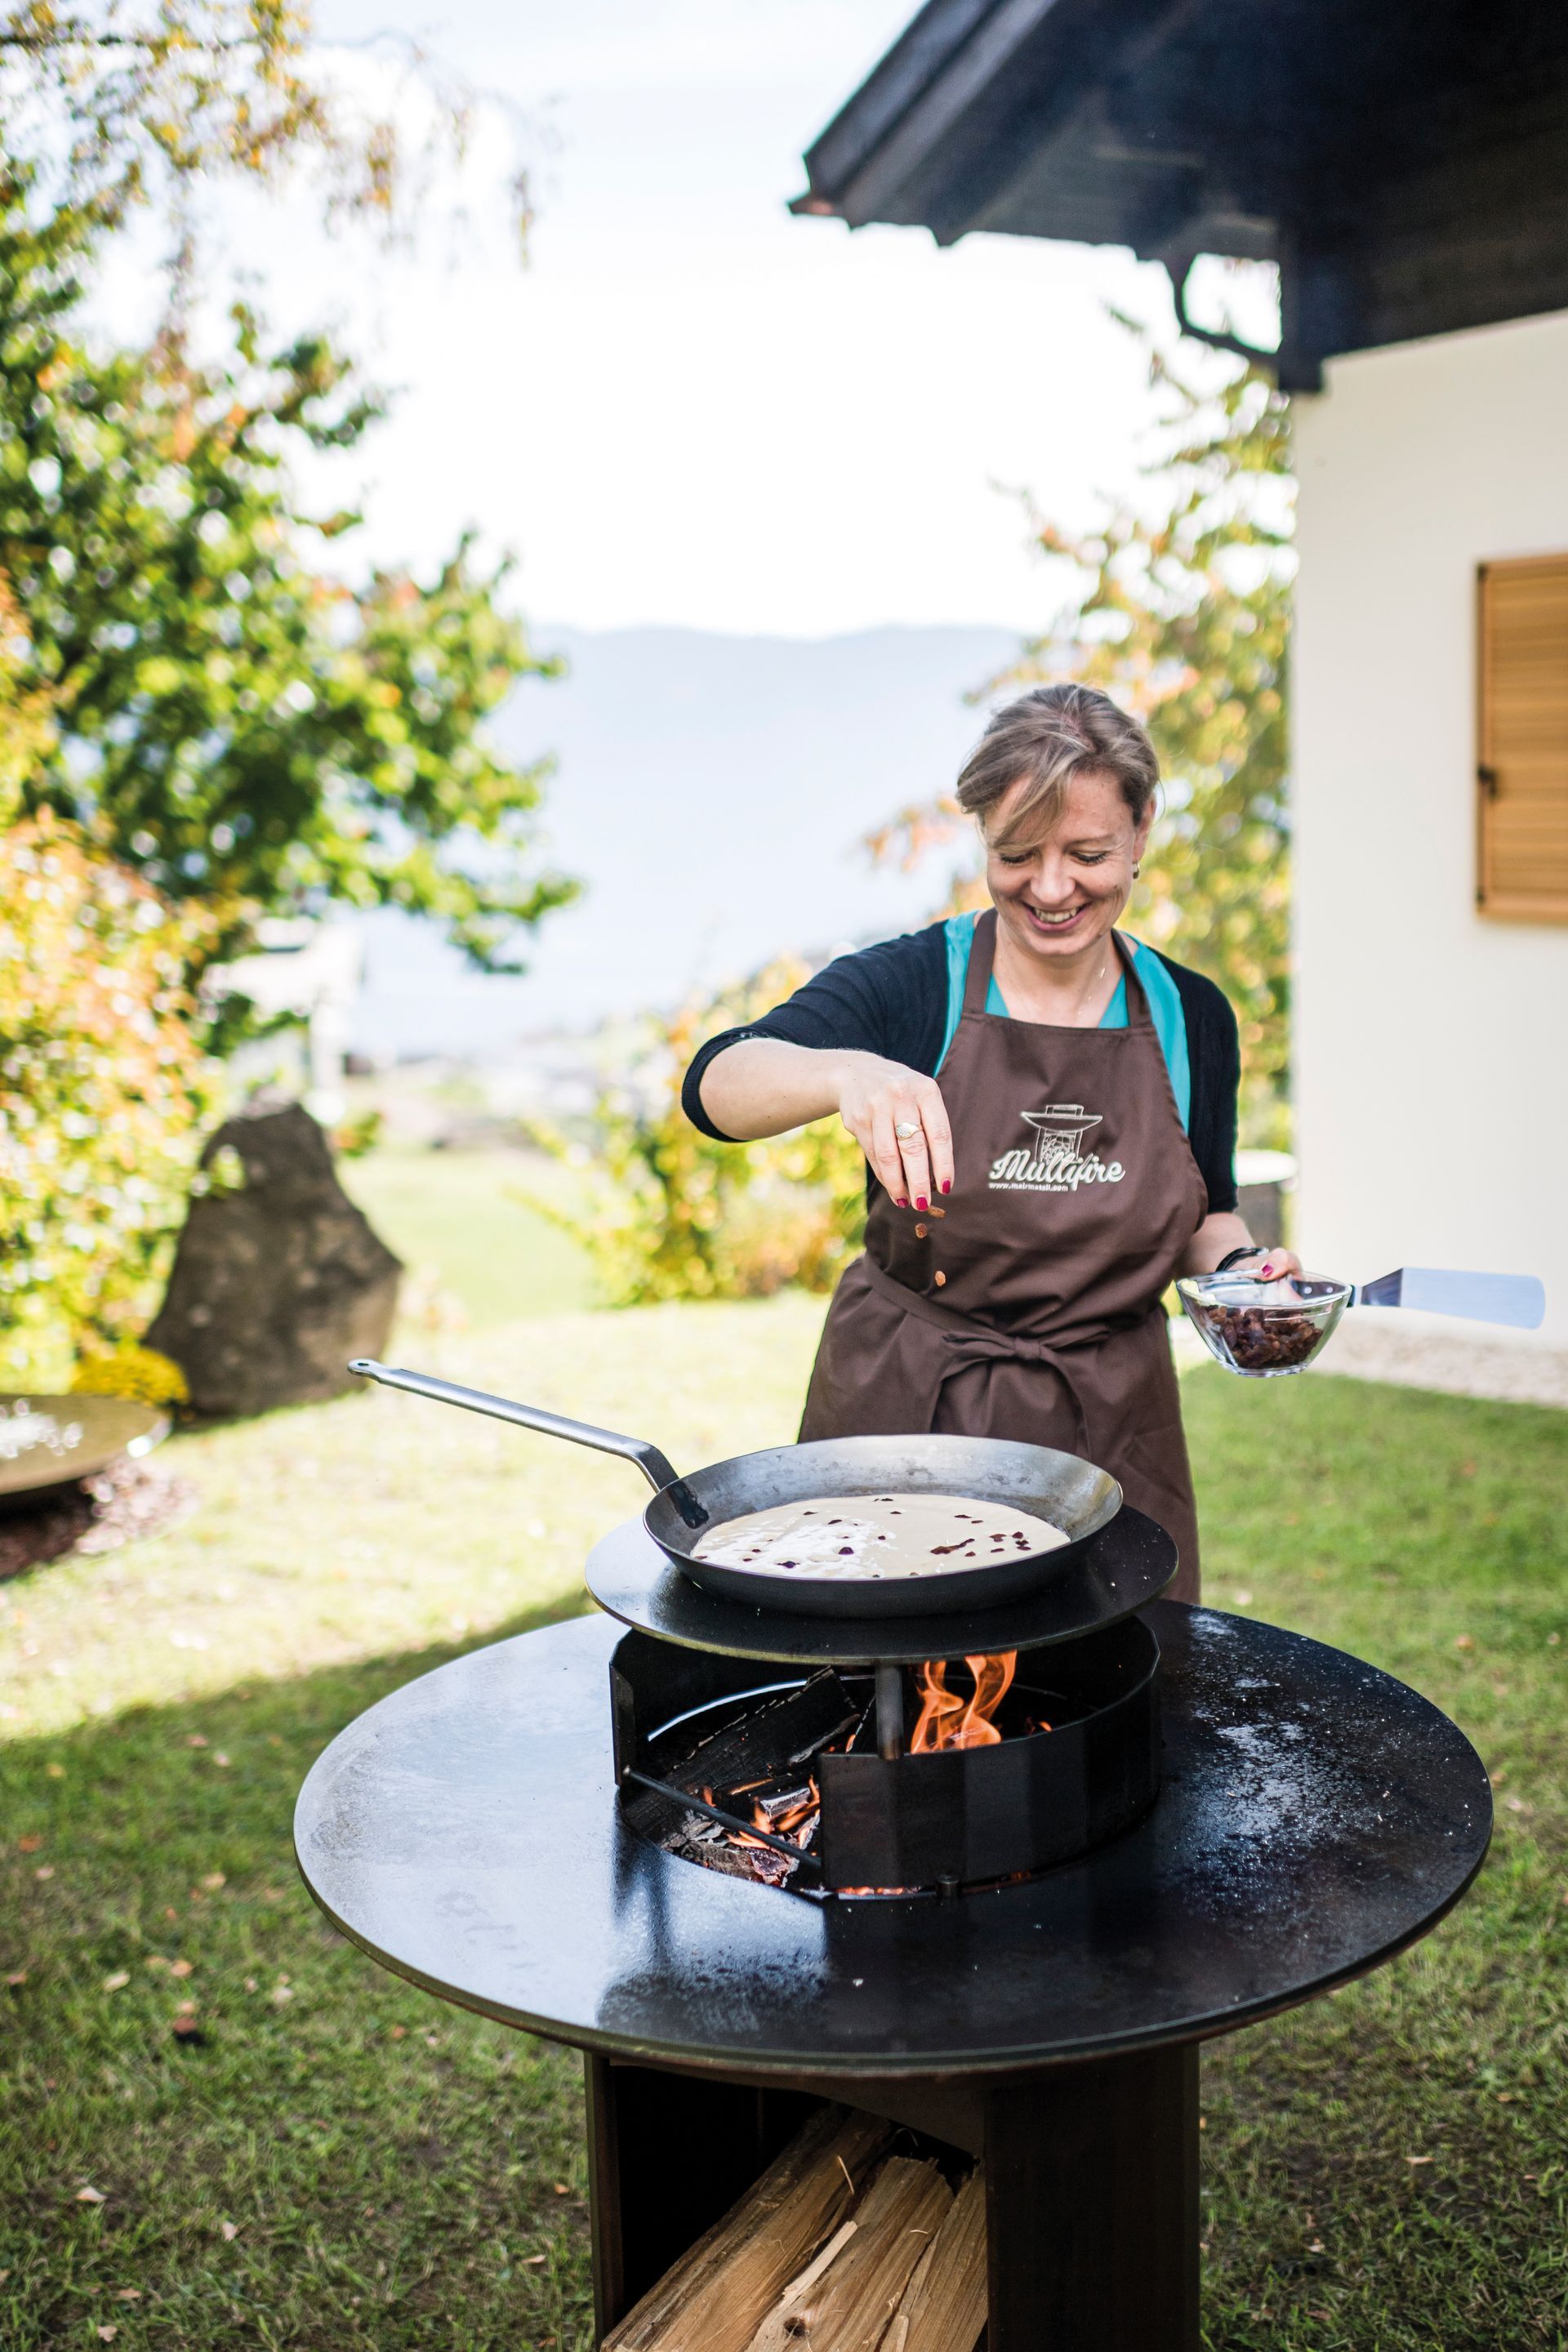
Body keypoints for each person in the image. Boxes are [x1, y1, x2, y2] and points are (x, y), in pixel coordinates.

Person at [680, 684, 1298, 1599]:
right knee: (888, 1698)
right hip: (908, 1415)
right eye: (1018, 855)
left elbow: (1206, 1211)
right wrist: (844, 1073)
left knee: (1108, 1690)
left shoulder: (1189, 1013)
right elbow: (716, 1083)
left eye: (1088, 854)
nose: (1052, 889)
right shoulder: (913, 985)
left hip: (1112, 1424)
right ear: (982, 842)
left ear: (1143, 830)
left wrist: (1245, 1276)